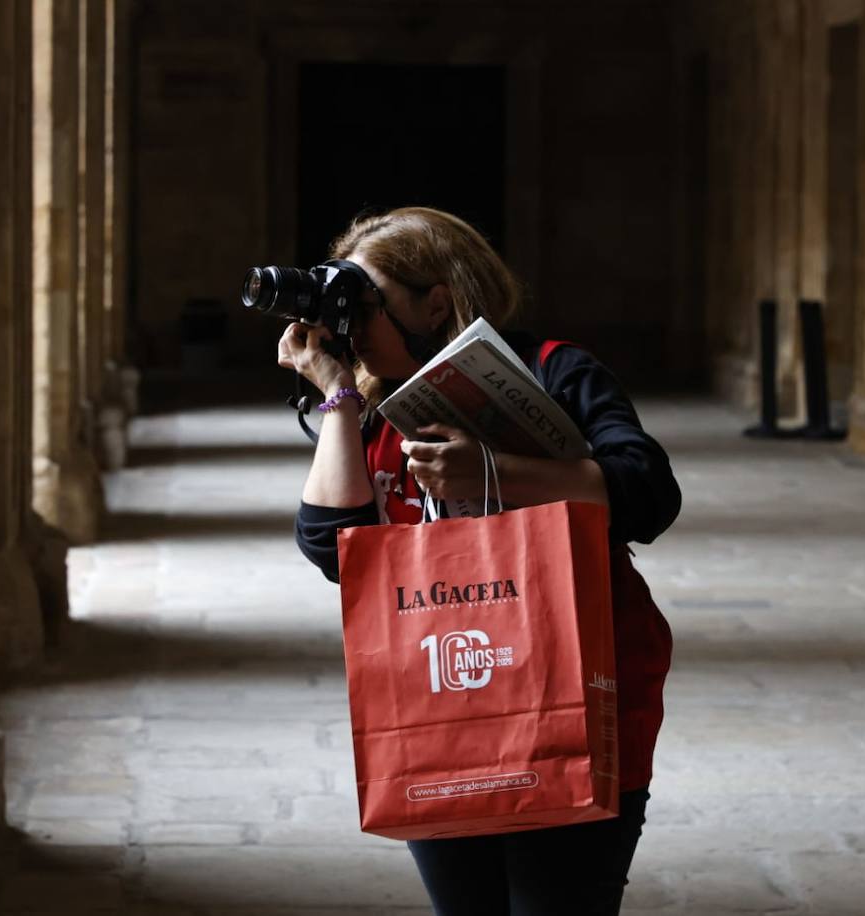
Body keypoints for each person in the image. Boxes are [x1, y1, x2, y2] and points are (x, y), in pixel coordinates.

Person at [279, 206, 679, 916]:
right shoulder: (370, 413)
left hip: (579, 699)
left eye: (366, 303)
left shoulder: (556, 371)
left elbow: (648, 493)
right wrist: (337, 398)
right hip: (439, 708)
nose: (353, 325)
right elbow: (334, 548)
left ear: (435, 303)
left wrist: (494, 471)